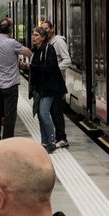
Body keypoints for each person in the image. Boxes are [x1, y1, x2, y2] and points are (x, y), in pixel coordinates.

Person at [0, 19, 31, 142]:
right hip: (10, 85)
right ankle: (7, 141)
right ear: (11, 29)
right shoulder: (13, 43)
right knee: (9, 115)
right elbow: (28, 53)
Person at [28, 28, 65, 154]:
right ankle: (44, 142)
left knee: (44, 113)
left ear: (43, 37)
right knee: (39, 114)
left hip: (49, 88)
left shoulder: (49, 49)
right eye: (33, 35)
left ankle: (51, 141)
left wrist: (32, 66)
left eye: (36, 35)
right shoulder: (35, 50)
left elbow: (50, 67)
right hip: (39, 88)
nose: (34, 37)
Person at [39, 20, 70, 149]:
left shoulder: (59, 42)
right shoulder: (47, 43)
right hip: (49, 84)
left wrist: (53, 69)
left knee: (57, 111)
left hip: (56, 83)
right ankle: (56, 137)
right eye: (42, 28)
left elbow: (67, 60)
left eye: (47, 28)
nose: (44, 30)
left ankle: (62, 138)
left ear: (52, 29)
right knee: (51, 111)